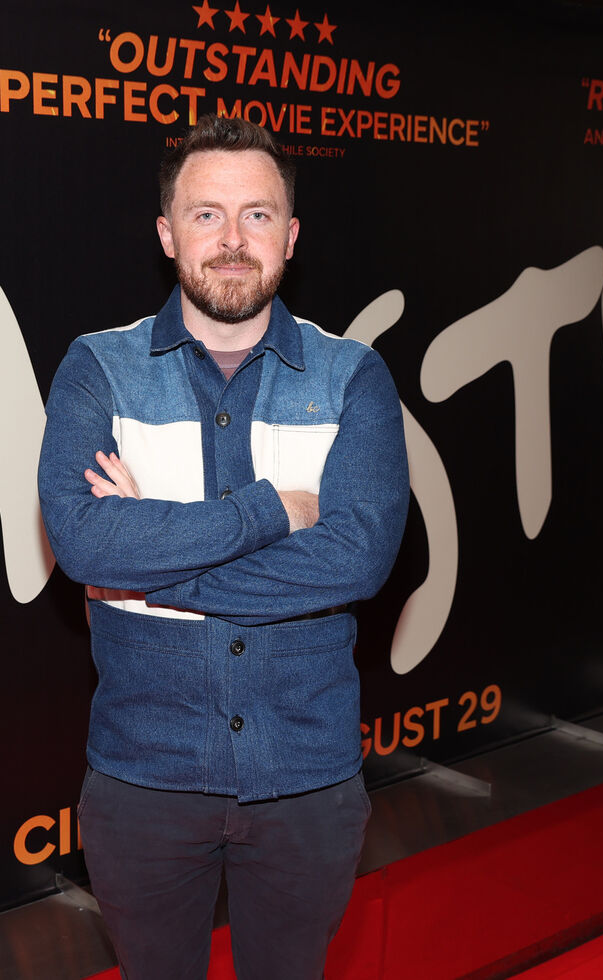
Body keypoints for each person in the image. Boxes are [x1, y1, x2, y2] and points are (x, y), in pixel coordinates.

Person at [37, 114, 409, 979]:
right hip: (144, 778)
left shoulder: (353, 376)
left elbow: (356, 558)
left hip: (306, 779)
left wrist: (152, 562)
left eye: (257, 215)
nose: (233, 240)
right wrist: (274, 509)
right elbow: (85, 543)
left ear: (291, 236)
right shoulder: (98, 369)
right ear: (168, 234)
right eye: (207, 215)